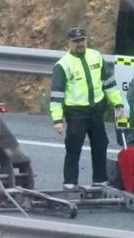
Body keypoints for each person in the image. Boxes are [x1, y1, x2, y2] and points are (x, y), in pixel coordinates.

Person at [50, 27, 124, 189]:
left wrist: (117, 103)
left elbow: (109, 83)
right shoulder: (63, 65)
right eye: (76, 41)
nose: (80, 44)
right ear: (69, 43)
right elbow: (56, 95)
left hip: (96, 111)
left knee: (100, 145)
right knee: (73, 148)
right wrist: (57, 120)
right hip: (76, 113)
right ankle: (70, 183)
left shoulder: (95, 56)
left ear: (86, 40)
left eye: (82, 40)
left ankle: (100, 180)